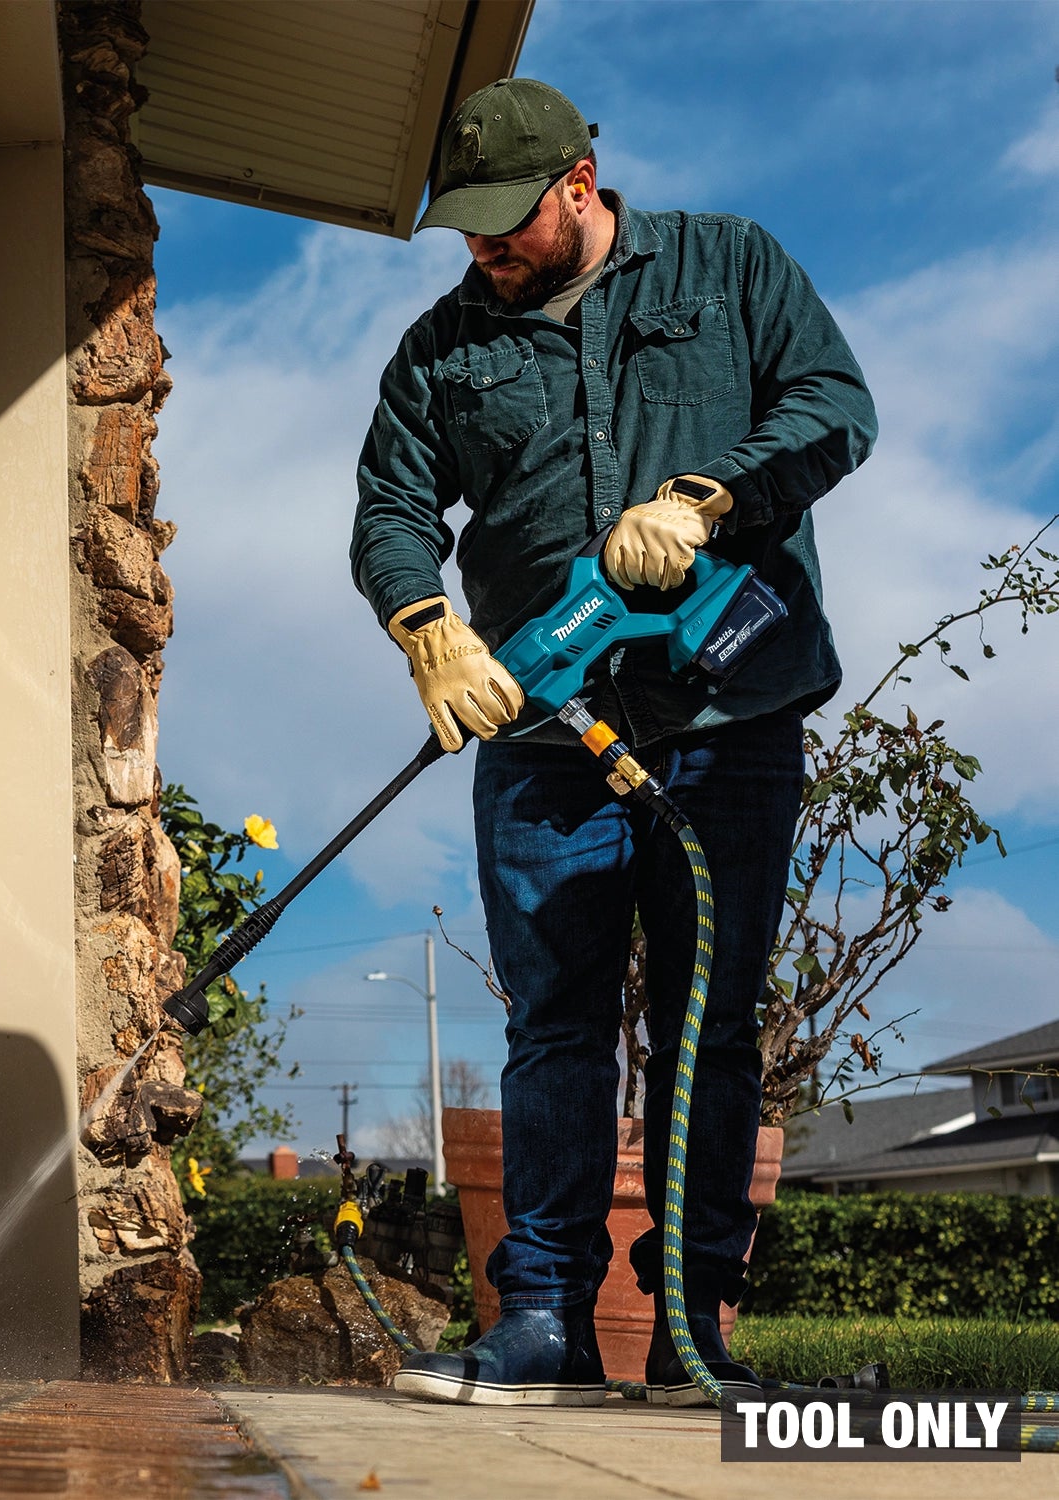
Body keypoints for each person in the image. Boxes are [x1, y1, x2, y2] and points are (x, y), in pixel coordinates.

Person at [351, 78, 876, 1406]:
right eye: (462, 228)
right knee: (554, 1026)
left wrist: (715, 499)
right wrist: (427, 625)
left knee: (713, 1027)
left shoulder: (728, 266)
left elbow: (833, 408)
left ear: (579, 180)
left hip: (728, 720)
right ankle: (545, 1324)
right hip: (544, 732)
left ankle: (696, 1324)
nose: (482, 249)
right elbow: (391, 509)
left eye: (504, 221)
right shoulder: (442, 350)